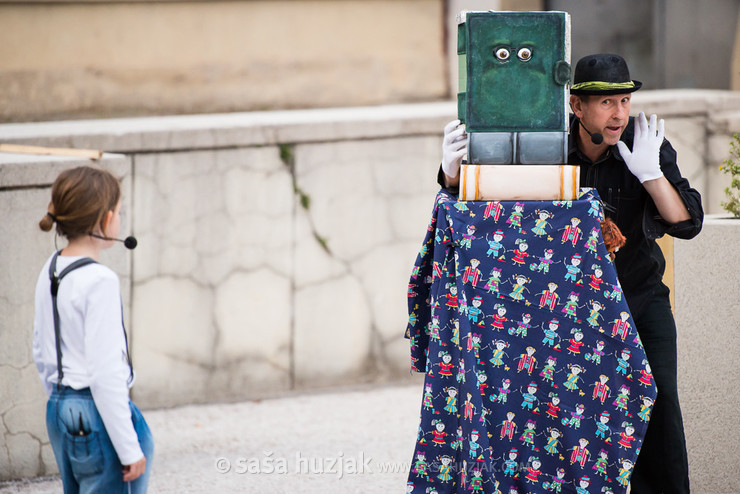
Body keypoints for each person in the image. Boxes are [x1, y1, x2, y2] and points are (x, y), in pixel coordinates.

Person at [439, 54, 702, 493]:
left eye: (624, 100)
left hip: (638, 298)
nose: (619, 113)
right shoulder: (548, 146)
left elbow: (686, 223)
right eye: (605, 103)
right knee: (575, 414)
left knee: (658, 404)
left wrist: (652, 174)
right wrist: (451, 174)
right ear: (576, 108)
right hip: (572, 313)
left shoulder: (644, 142)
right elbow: (488, 203)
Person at [33, 166, 153, 493]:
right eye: (119, 212)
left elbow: (41, 351)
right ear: (105, 219)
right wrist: (129, 448)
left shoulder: (51, 267)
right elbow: (105, 373)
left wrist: (62, 399)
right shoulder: (100, 280)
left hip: (59, 407)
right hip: (96, 413)